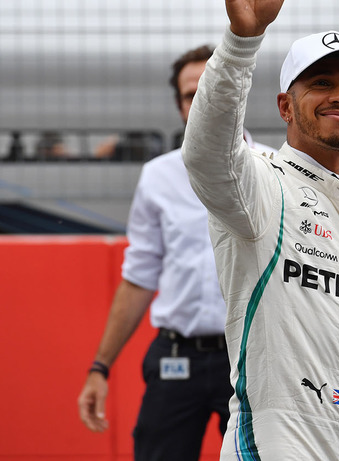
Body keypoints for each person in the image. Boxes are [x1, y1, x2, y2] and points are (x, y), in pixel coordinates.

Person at [181, 0, 339, 459]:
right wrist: (241, 43)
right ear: (286, 107)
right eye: (321, 84)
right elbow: (206, 154)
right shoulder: (260, 184)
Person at [77, 44, 271, 461]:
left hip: (251, 361)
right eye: (190, 94)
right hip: (174, 358)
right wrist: (100, 367)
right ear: (180, 107)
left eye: (212, 87)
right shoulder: (157, 177)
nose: (202, 100)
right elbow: (139, 277)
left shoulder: (274, 169)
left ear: (237, 90)